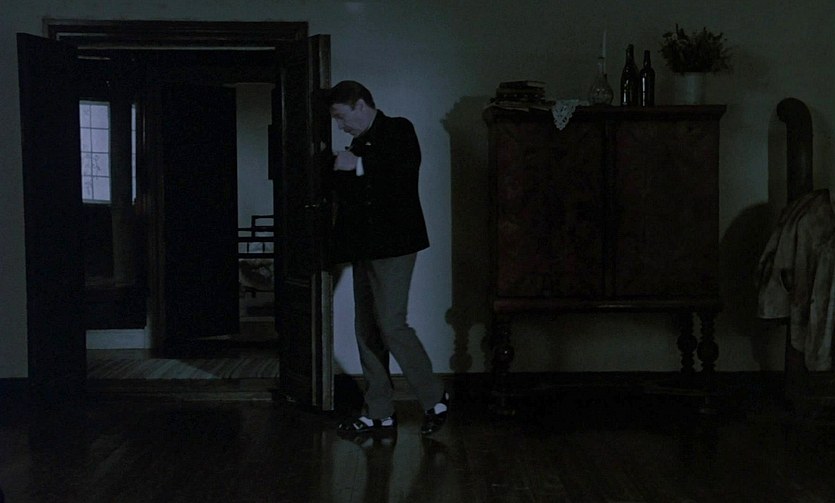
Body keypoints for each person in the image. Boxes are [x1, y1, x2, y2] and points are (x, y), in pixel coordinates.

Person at [326, 80, 448, 436]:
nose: (340, 125)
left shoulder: (398, 129)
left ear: (361, 105)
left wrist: (356, 165)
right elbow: (351, 199)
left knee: (391, 325)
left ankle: (435, 398)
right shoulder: (357, 143)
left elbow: (402, 172)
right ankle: (379, 412)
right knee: (366, 329)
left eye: (341, 116)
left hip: (394, 246)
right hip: (363, 248)